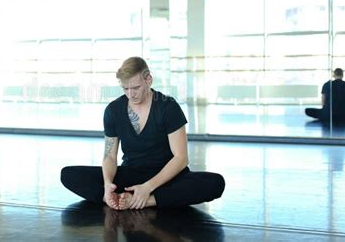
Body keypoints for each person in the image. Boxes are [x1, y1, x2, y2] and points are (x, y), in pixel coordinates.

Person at [61, 56, 225, 210]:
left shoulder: (168, 107)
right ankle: (112, 199)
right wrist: (107, 184)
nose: (130, 94)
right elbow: (110, 156)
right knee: (68, 174)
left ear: (148, 80)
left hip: (167, 176)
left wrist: (147, 188)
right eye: (125, 88)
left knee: (215, 183)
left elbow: (181, 158)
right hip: (131, 174)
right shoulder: (113, 110)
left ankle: (146, 200)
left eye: (136, 87)